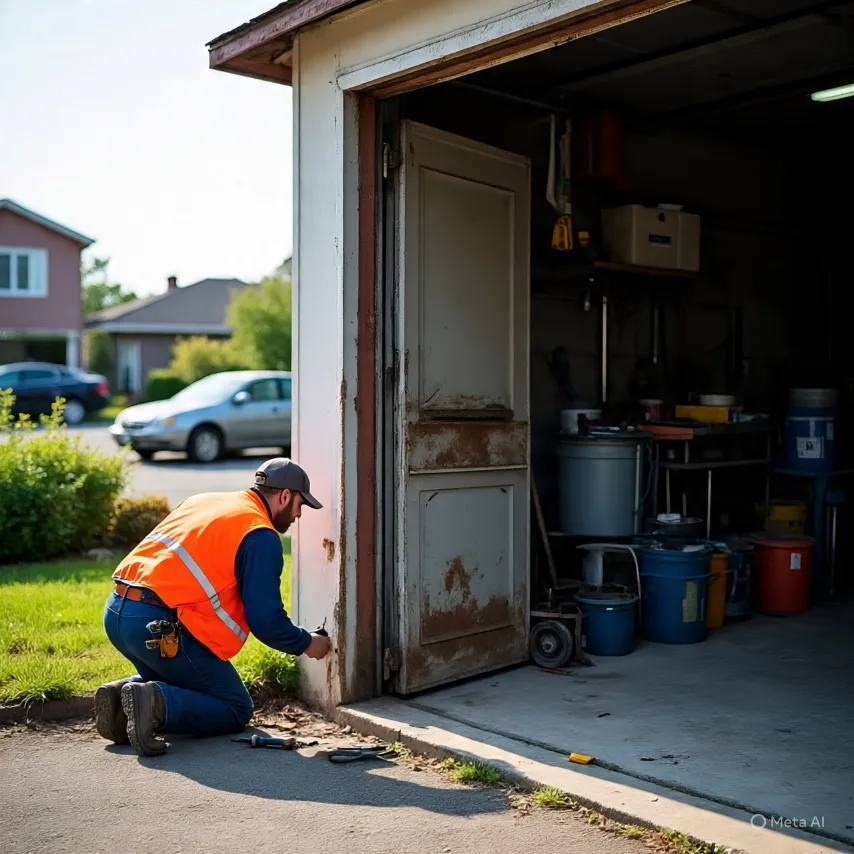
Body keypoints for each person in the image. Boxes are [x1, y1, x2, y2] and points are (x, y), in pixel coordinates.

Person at [96, 457, 331, 756]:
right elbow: (265, 619)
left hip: (118, 611)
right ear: (285, 496)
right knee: (234, 706)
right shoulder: (260, 535)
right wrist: (306, 643)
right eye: (300, 504)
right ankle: (154, 701)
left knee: (188, 683)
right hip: (157, 627)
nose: (298, 515)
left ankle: (118, 701)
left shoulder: (205, 501)